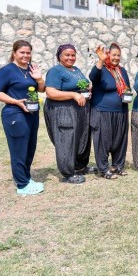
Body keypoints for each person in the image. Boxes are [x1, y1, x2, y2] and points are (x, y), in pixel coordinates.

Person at [0, 40, 46, 195]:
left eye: (28, 52)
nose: (25, 55)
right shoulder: (7, 71)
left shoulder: (31, 69)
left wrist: (39, 79)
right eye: (22, 52)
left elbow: (41, 90)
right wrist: (15, 101)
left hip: (32, 114)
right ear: (14, 52)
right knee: (19, 149)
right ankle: (22, 185)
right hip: (15, 114)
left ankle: (26, 178)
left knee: (30, 148)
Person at [44, 44, 94, 184]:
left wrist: (88, 88)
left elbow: (83, 84)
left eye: (73, 55)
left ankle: (80, 166)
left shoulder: (76, 70)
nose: (70, 57)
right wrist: (73, 94)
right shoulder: (55, 71)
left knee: (82, 137)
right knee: (66, 139)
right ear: (59, 56)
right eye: (67, 55)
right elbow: (50, 92)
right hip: (63, 110)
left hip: (80, 110)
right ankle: (67, 173)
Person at [89, 43, 131, 180]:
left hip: (121, 111)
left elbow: (127, 87)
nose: (116, 57)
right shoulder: (102, 69)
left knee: (119, 140)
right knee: (103, 140)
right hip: (103, 111)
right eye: (113, 55)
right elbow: (92, 76)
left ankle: (117, 166)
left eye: (118, 55)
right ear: (108, 55)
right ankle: (103, 169)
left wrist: (127, 94)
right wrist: (100, 60)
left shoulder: (122, 71)